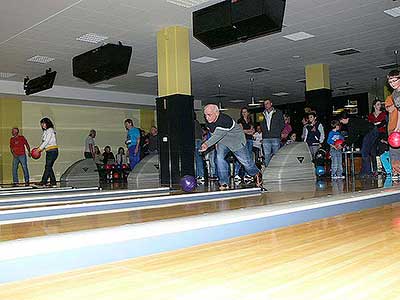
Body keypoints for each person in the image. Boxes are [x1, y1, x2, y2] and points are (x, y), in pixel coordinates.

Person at [200, 104, 262, 190]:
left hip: (236, 141)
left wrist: (206, 144)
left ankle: (256, 173)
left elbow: (218, 135)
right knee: (219, 158)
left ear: (216, 113)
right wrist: (215, 144)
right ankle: (224, 182)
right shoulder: (209, 121)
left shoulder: (225, 120)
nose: (207, 117)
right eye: (205, 115)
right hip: (223, 142)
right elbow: (213, 133)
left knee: (246, 163)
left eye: (209, 115)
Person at [339, 112, 378, 176]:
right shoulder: (354, 120)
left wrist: (343, 144)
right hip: (374, 130)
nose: (341, 122)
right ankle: (372, 171)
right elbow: (355, 136)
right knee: (372, 151)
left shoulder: (351, 123)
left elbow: (353, 136)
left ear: (344, 119)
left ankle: (367, 172)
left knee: (364, 152)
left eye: (341, 121)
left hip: (370, 132)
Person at [260, 99, 285, 167]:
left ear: (271, 104)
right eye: (265, 104)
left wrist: (277, 132)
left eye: (267, 103)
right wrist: (264, 132)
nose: (266, 105)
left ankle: (276, 168)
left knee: (276, 154)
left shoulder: (278, 112)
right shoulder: (261, 114)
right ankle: (268, 169)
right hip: (266, 137)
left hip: (275, 137)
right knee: (266, 155)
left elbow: (282, 124)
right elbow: (261, 124)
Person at [37, 117, 58, 187]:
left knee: (48, 166)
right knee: (49, 167)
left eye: (43, 123)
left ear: (47, 123)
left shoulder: (50, 130)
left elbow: (46, 141)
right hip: (49, 151)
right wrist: (40, 148)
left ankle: (43, 181)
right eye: (41, 124)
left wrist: (39, 149)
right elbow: (44, 142)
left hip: (52, 151)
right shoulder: (46, 131)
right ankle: (53, 182)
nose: (42, 125)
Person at [367, 100, 387, 174]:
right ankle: (375, 169)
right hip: (373, 134)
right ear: (374, 106)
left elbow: (384, 123)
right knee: (373, 151)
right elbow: (369, 125)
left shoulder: (383, 114)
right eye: (378, 104)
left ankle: (384, 168)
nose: (380, 106)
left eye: (380, 105)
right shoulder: (370, 115)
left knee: (382, 151)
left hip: (382, 134)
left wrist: (376, 125)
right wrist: (376, 125)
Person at [236, 107, 255, 181]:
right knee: (242, 156)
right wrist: (248, 131)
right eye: (242, 112)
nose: (244, 113)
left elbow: (252, 131)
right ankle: (236, 174)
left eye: (245, 112)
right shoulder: (240, 120)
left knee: (249, 157)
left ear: (248, 113)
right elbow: (241, 131)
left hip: (250, 140)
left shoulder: (250, 120)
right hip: (242, 140)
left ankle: (247, 174)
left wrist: (247, 131)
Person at [194, 116, 205, 182]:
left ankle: (200, 175)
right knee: (199, 158)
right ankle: (200, 175)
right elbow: (202, 132)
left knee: (197, 158)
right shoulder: (197, 122)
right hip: (199, 140)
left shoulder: (193, 123)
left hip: (195, 141)